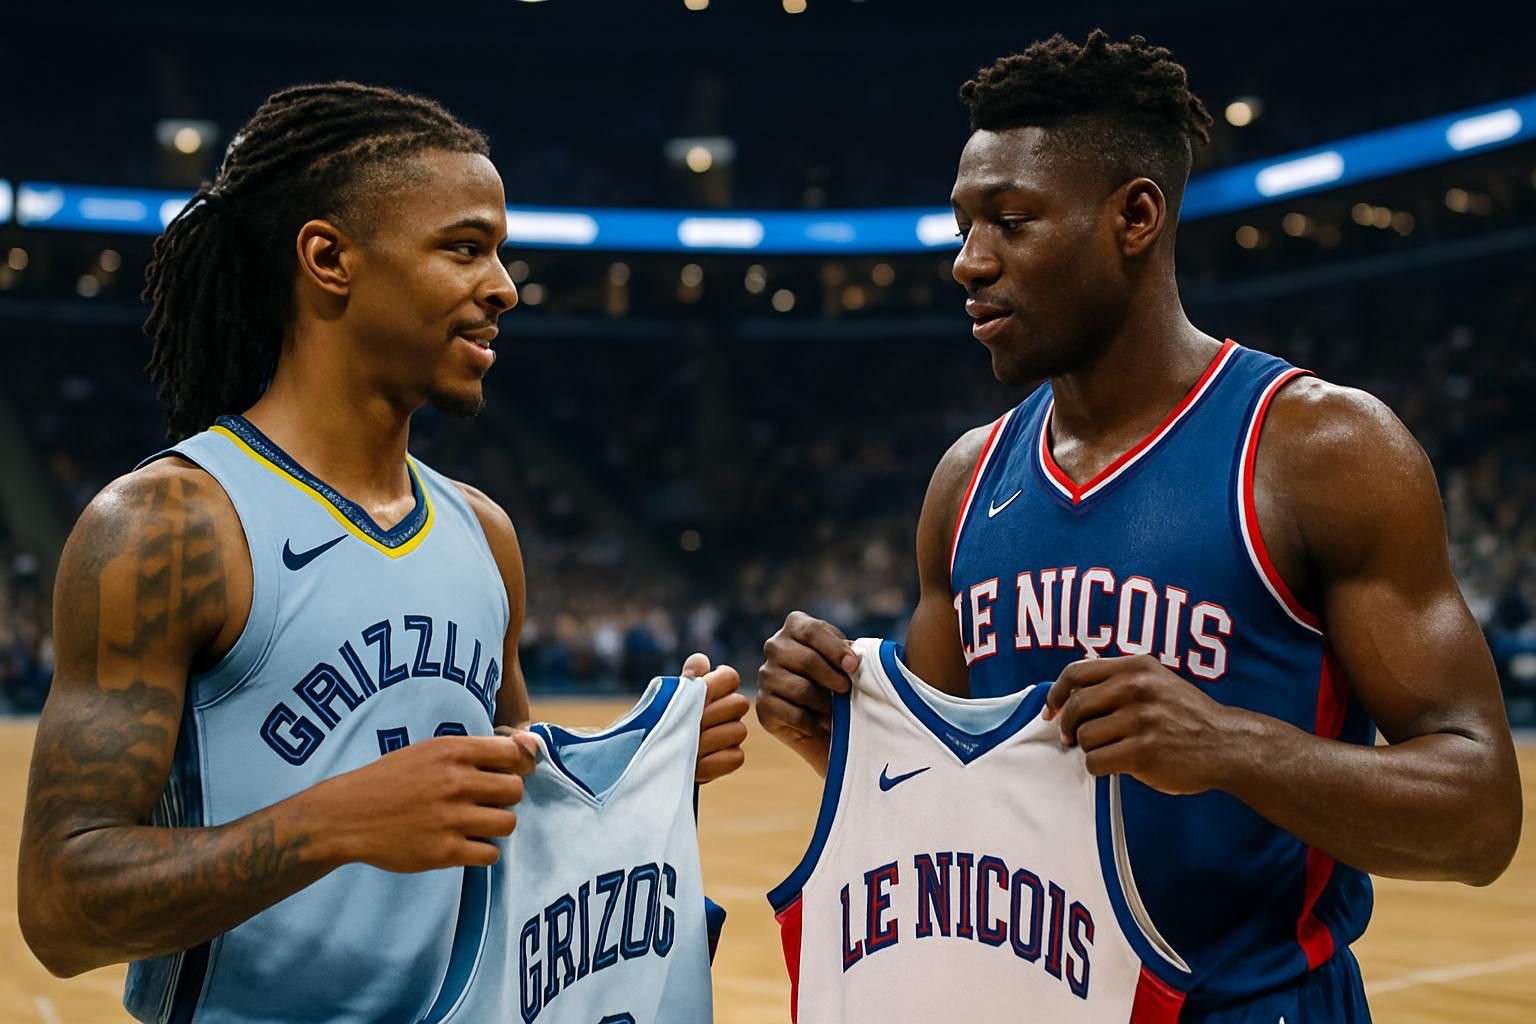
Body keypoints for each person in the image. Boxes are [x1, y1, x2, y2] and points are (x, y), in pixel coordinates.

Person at [757, 31, 1521, 1019]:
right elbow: (937, 794)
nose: (967, 262)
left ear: (1137, 216)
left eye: (1011, 221)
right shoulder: (966, 478)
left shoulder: (1321, 448)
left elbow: (1480, 816)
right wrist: (840, 735)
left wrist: (1230, 746)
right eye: (961, 227)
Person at [17, 81, 749, 1023]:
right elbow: (60, 906)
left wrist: (643, 774)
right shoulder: (169, 526)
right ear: (329, 259)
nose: (504, 287)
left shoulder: (484, 534)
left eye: (500, 253)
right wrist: (334, 822)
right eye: (464, 247)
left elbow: (509, 817)